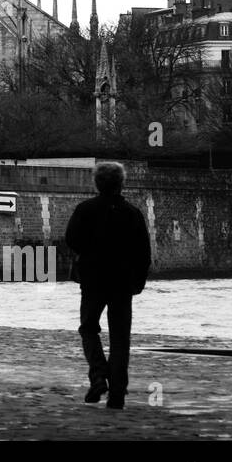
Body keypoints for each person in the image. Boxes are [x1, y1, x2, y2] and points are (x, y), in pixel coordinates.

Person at [65, 161, 152, 410]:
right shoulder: (132, 213)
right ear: (121, 183)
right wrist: (139, 281)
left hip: (93, 279)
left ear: (97, 183)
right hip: (123, 282)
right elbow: (143, 252)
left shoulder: (85, 209)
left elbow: (72, 239)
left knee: (89, 328)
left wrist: (88, 254)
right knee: (120, 338)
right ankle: (117, 394)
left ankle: (98, 376)